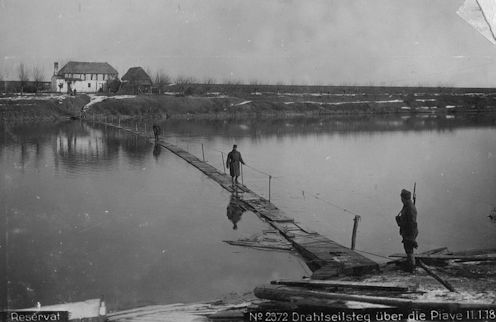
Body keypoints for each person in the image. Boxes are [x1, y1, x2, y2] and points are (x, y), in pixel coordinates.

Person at [395, 189, 418, 272]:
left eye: (402, 198)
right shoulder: (407, 206)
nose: (401, 200)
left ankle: (412, 267)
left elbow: (412, 223)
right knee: (408, 249)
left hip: (409, 232)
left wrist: (412, 238)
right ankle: (411, 265)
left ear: (404, 198)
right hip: (407, 232)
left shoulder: (410, 208)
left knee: (409, 250)